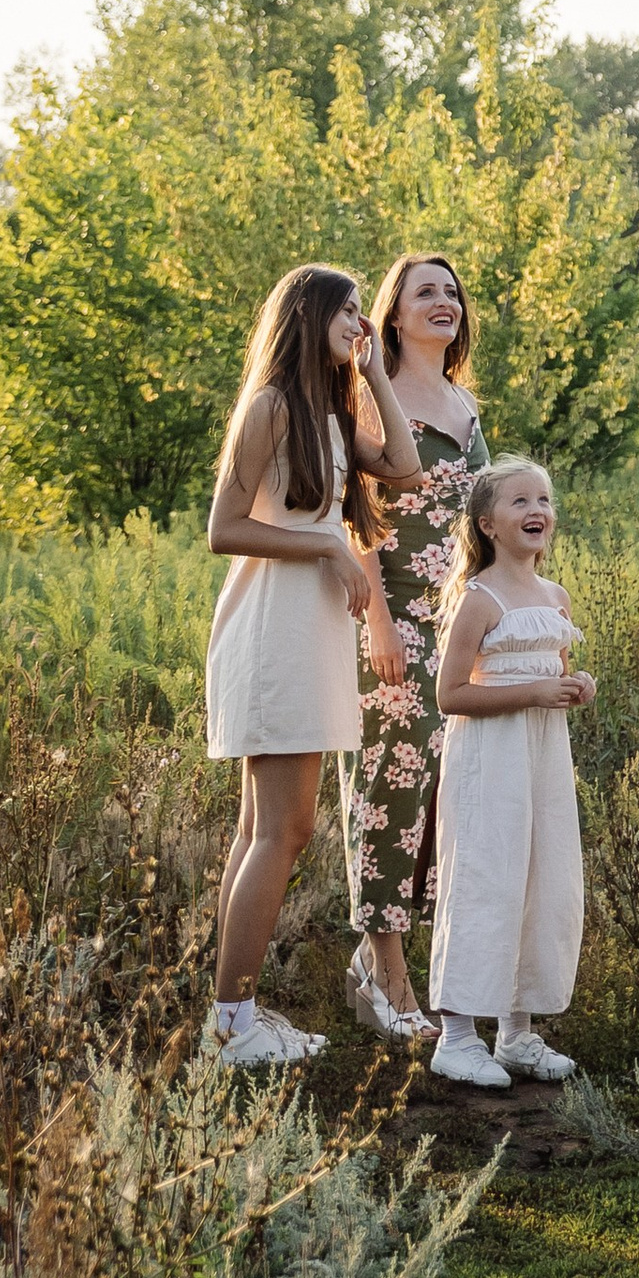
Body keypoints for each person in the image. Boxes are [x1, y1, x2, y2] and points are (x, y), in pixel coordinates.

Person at [205, 264, 422, 1066]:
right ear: (309, 313)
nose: (362, 319)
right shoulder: (269, 408)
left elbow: (404, 467)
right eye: (351, 309)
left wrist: (372, 375)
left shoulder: (331, 415)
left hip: (311, 634)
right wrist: (326, 543)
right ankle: (234, 1023)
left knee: (261, 828)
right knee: (287, 827)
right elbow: (223, 530)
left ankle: (232, 1016)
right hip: (272, 632)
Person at [339, 249, 489, 1047]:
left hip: (454, 620)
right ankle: (385, 975)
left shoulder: (464, 403)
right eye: (425, 292)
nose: (443, 302)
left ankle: (410, 965)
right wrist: (376, 621)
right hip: (391, 616)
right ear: (392, 313)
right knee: (390, 793)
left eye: (452, 292)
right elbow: (351, 503)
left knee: (440, 795)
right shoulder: (374, 394)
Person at [425, 456, 595, 1087]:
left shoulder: (555, 598)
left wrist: (576, 686)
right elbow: (450, 696)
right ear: (488, 523)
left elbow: (553, 673)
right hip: (489, 759)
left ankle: (517, 1034)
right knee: (485, 880)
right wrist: (530, 695)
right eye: (520, 501)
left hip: (542, 759)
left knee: (539, 878)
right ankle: (457, 1036)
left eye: (544, 500)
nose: (536, 511)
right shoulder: (479, 599)